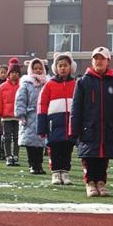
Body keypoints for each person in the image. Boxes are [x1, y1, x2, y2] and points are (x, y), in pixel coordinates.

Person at [70, 46, 113, 197]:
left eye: (102, 58)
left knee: (104, 157)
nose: (98, 61)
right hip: (88, 128)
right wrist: (73, 129)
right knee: (89, 157)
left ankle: (101, 183)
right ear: (92, 61)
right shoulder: (82, 82)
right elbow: (76, 108)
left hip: (108, 128)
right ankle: (90, 183)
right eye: (96, 58)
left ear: (108, 61)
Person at [38, 52, 77, 185]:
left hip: (70, 123)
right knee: (54, 149)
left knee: (67, 149)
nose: (63, 68)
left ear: (70, 67)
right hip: (53, 123)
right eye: (60, 66)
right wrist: (41, 125)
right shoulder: (49, 84)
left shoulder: (76, 84)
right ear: (56, 68)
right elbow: (42, 105)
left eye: (65, 65)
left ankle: (65, 173)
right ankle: (55, 173)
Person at [15, 58, 48, 175]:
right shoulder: (26, 84)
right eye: (35, 68)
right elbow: (20, 100)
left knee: (41, 142)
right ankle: (32, 165)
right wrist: (20, 114)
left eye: (40, 68)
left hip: (43, 115)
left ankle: (39, 164)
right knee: (31, 143)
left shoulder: (47, 83)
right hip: (30, 116)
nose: (38, 70)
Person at [0, 60, 22, 166]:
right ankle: (8, 156)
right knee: (6, 137)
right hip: (6, 117)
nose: (14, 74)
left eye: (16, 72)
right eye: (12, 72)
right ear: (8, 74)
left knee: (17, 137)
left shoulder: (22, 86)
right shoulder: (2, 87)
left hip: (18, 116)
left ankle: (15, 155)